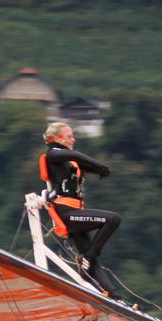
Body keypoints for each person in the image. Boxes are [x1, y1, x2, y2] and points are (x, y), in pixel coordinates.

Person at [40, 122, 121, 297]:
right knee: (112, 219)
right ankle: (88, 258)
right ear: (56, 138)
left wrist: (100, 171)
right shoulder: (53, 154)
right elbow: (76, 155)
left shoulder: (67, 160)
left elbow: (80, 162)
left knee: (92, 264)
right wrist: (100, 167)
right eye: (69, 136)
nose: (73, 139)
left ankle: (114, 296)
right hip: (67, 213)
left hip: (76, 213)